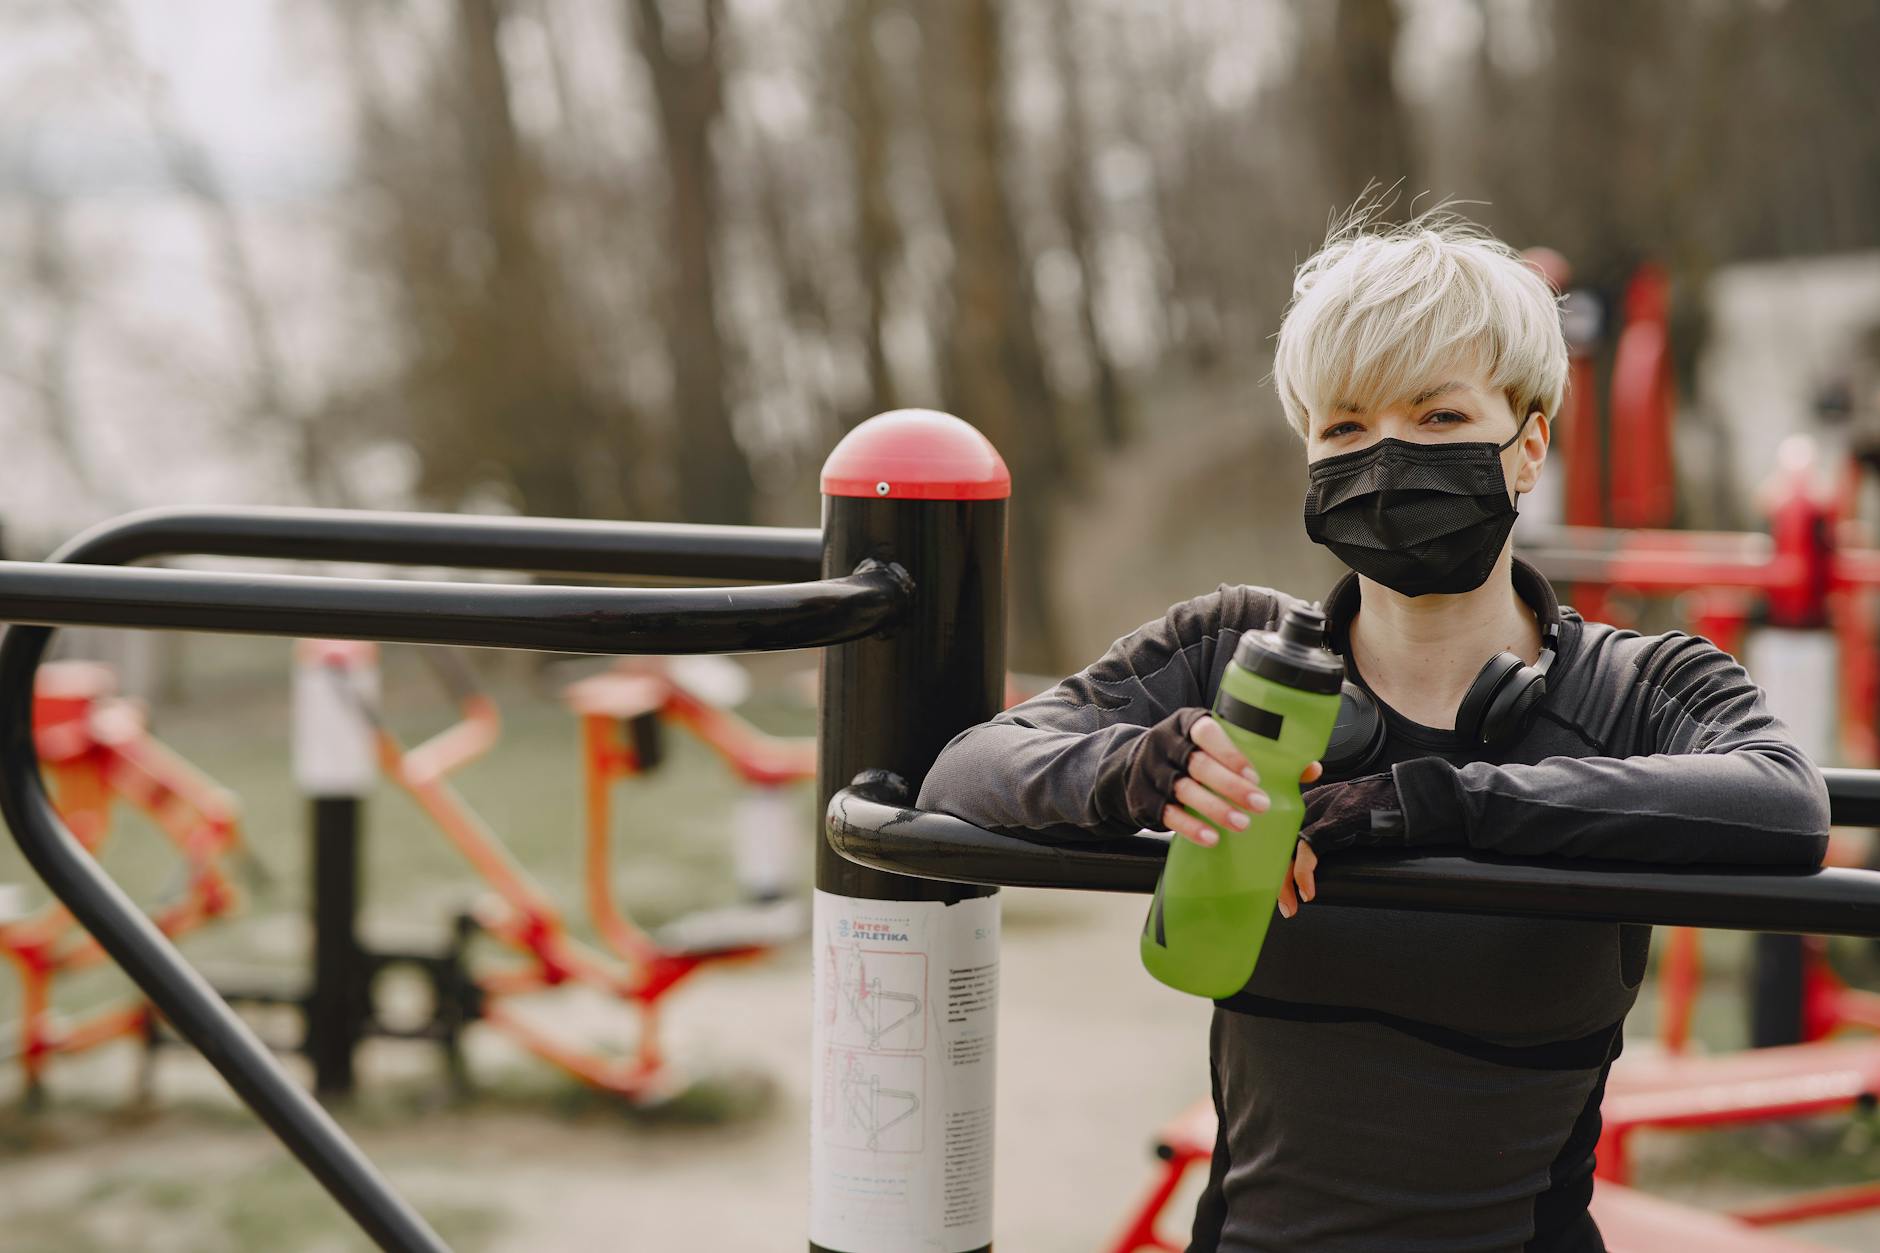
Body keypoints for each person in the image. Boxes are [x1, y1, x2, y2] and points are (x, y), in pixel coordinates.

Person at [913, 210, 1831, 1252]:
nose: (1387, 455)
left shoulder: (1632, 685)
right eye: (1344, 426)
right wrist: (1134, 770)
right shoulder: (1233, 652)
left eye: (1437, 416)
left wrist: (1429, 804)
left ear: (1526, 446)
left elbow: (1783, 804)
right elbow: (966, 765)